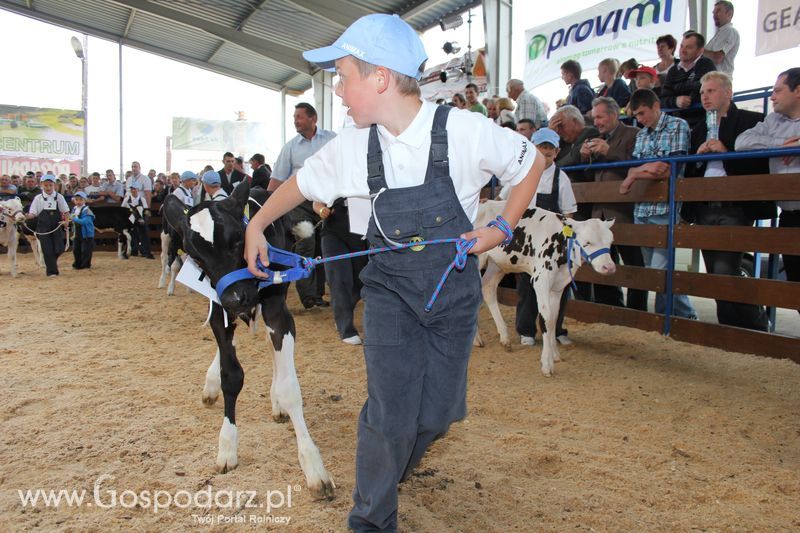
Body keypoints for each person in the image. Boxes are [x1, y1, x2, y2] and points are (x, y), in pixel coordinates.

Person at [242, 14, 543, 532]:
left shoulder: (466, 131)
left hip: (452, 294)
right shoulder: (354, 146)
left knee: (439, 415)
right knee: (389, 413)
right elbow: (300, 184)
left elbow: (531, 162)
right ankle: (371, 518)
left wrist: (502, 230)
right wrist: (257, 224)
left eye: (343, 75)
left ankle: (393, 464)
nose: (338, 91)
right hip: (388, 293)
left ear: (379, 77)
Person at [684, 71, 772, 330]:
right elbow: (691, 170)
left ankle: (757, 326)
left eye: (710, 91)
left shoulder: (752, 121)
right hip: (705, 206)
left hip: (735, 203)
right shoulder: (699, 128)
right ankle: (730, 330)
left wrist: (727, 152)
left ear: (728, 93)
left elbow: (760, 162)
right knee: (715, 274)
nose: (705, 97)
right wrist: (697, 158)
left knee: (725, 272)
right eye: (702, 93)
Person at [620, 89, 698, 319]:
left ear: (656, 107)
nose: (640, 119)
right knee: (657, 273)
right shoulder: (642, 134)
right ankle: (669, 319)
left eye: (643, 113)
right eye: (637, 116)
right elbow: (640, 167)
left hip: (668, 208)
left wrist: (634, 176)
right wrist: (640, 171)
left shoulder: (678, 126)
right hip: (643, 209)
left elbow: (669, 168)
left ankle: (683, 317)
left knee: (660, 271)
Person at [500, 128, 577, 346]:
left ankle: (554, 329)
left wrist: (565, 239)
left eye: (550, 147)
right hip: (527, 241)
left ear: (557, 150)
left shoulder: (561, 178)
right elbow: (503, 198)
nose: (546, 151)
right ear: (533, 147)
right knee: (527, 284)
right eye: (542, 146)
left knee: (559, 285)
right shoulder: (522, 173)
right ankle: (525, 331)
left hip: (552, 242)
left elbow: (568, 212)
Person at [736, 67, 800, 296]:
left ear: (798, 91)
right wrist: (783, 144)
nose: (772, 96)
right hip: (789, 213)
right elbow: (742, 142)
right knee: (795, 282)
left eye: (778, 90)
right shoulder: (773, 120)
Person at [582, 96, 648, 311]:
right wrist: (585, 156)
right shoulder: (595, 138)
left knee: (633, 263)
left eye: (600, 117)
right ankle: (609, 308)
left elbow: (637, 162)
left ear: (613, 115)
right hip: (600, 211)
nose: (597, 122)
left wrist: (608, 151)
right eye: (594, 118)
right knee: (604, 260)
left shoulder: (633, 134)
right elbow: (588, 173)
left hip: (625, 209)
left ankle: (637, 311)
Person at [270, 102, 337, 309]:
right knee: (306, 244)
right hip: (299, 203)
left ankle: (318, 294)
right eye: (294, 117)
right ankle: (308, 296)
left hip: (328, 200)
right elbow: (277, 179)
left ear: (313, 118)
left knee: (323, 246)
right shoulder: (290, 147)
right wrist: (268, 208)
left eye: (299, 117)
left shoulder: (333, 140)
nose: (295, 121)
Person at [313, 196, 369, 344]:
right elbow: (316, 200)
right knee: (339, 278)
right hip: (333, 230)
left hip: (363, 232)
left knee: (361, 280)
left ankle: (342, 313)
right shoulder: (332, 175)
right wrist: (321, 209)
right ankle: (346, 328)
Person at [660, 31, 717, 127]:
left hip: (702, 122)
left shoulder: (706, 64)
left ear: (700, 50)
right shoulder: (673, 70)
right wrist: (676, 101)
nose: (683, 50)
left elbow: (702, 89)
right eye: (682, 46)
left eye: (688, 47)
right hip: (677, 125)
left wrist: (677, 88)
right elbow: (663, 99)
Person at [25, 174, 70, 277]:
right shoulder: (38, 198)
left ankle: (52, 265)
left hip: (56, 225)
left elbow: (66, 211)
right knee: (47, 250)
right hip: (43, 227)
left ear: (54, 185)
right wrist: (27, 216)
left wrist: (66, 221)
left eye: (50, 185)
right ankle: (52, 272)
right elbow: (33, 213)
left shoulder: (59, 197)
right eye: (46, 185)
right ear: (41, 185)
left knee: (59, 248)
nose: (48, 187)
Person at [704, 1, 739, 76]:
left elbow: (717, 58)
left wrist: (699, 50)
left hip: (720, 80)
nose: (714, 15)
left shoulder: (730, 31)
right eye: (713, 12)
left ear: (729, 13)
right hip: (712, 79)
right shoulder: (719, 34)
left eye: (718, 11)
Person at [121, 183, 154, 259]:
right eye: (132, 189)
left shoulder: (142, 199)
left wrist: (145, 220)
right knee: (131, 235)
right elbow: (122, 210)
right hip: (130, 221)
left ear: (138, 190)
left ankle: (145, 251)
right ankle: (133, 251)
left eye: (134, 189)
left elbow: (146, 210)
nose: (133, 190)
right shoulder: (126, 199)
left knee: (144, 234)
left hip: (140, 220)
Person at [69, 191, 95, 270]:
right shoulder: (74, 209)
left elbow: (85, 221)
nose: (78, 201)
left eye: (81, 199)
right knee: (76, 249)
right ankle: (77, 264)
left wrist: (73, 219)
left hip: (86, 233)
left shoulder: (87, 210)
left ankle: (85, 265)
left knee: (85, 250)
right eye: (76, 199)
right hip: (77, 232)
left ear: (85, 200)